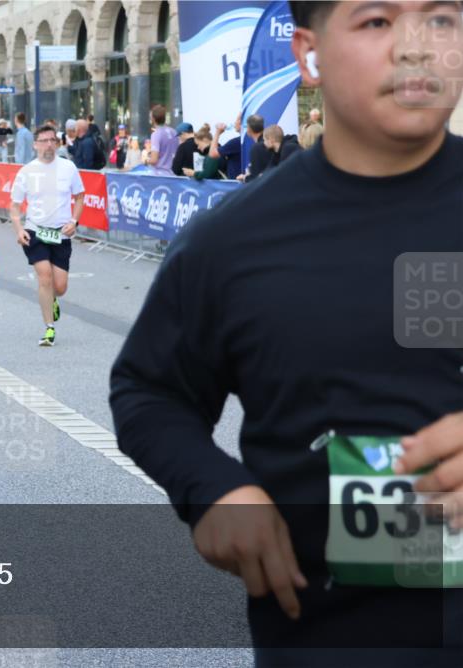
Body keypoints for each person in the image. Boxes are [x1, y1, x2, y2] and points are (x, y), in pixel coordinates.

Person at [110, 2, 463, 666]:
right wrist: (214, 488)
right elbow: (148, 391)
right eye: (378, 21)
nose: (419, 47)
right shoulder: (232, 240)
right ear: (309, 54)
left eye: (443, 19)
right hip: (329, 637)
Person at [9, 125, 84, 347]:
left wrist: (74, 221)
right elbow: (13, 206)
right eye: (44, 140)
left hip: (61, 233)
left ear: (57, 144)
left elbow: (80, 196)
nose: (49, 144)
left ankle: (53, 300)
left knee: (59, 287)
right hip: (35, 231)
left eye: (52, 140)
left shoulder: (68, 168)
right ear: (35, 145)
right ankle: (49, 329)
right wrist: (19, 229)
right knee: (44, 277)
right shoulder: (27, 172)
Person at [146, 105, 179, 175]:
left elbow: (154, 160)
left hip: (160, 175)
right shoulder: (174, 132)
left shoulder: (156, 134)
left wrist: (145, 160)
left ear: (153, 119)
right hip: (173, 173)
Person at [240, 114, 272, 182]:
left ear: (249, 129)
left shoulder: (257, 148)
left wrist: (244, 178)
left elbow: (255, 177)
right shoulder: (268, 143)